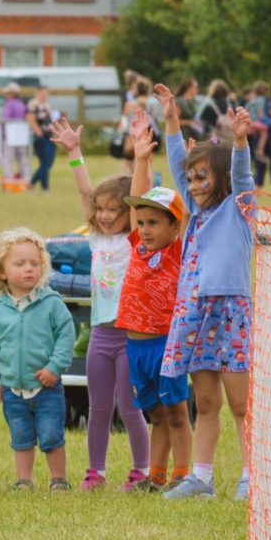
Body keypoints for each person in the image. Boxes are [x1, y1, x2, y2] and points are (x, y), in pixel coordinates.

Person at [153, 83, 256, 501]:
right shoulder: (194, 211)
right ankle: (201, 478)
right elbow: (177, 164)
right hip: (195, 315)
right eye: (191, 179)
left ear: (223, 179)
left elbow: (241, 175)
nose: (193, 185)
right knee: (207, 401)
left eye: (202, 178)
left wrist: (241, 142)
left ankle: (251, 476)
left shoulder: (239, 208)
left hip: (230, 313)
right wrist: (171, 120)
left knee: (241, 404)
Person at [48, 116, 151, 492]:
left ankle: (141, 470)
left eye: (114, 210)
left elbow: (139, 198)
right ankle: (96, 472)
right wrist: (74, 153)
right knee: (98, 409)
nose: (105, 215)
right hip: (99, 336)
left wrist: (141, 158)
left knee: (130, 408)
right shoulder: (96, 238)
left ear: (129, 213)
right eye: (102, 210)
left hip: (129, 337)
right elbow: (85, 194)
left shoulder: (135, 241)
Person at [116, 113, 192, 494]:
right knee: (156, 414)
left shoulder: (180, 251)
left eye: (154, 223)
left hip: (167, 345)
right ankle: (156, 476)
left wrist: (185, 169)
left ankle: (183, 476)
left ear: (175, 228)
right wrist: (141, 158)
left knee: (176, 413)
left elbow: (188, 209)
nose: (144, 229)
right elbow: (137, 203)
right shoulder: (137, 248)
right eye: (142, 223)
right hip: (136, 346)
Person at [0, 227, 76, 492]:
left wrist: (54, 367)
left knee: (51, 436)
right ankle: (24, 480)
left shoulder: (52, 303)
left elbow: (66, 335)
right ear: (2, 271)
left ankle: (58, 480)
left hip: (47, 388)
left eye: (35, 263)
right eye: (20, 264)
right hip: (12, 390)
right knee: (21, 438)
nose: (29, 269)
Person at [27, 85, 56, 191]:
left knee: (46, 162)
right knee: (46, 162)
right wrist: (39, 133)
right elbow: (30, 118)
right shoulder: (33, 104)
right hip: (40, 136)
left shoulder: (47, 105)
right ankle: (33, 183)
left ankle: (44, 186)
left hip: (49, 135)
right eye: (42, 93)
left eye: (46, 94)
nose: (44, 96)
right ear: (37, 93)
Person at [1, 82, 29, 183]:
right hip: (21, 134)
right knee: (21, 158)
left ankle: (9, 179)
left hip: (10, 134)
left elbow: (5, 119)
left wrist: (2, 132)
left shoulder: (9, 104)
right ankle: (25, 179)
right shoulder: (22, 104)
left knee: (8, 158)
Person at [197, 79, 234, 144]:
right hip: (230, 140)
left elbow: (203, 123)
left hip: (215, 141)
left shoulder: (210, 106)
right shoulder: (231, 104)